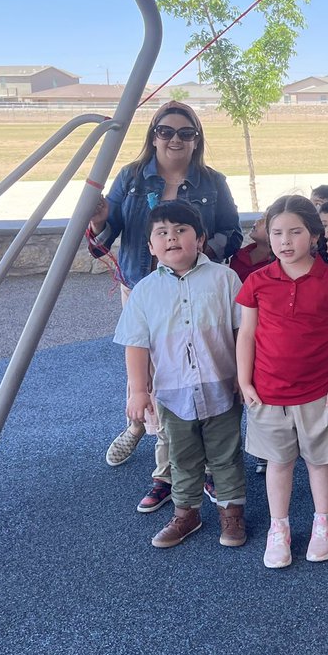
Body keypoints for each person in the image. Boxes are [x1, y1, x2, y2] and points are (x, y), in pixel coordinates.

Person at [89, 99, 242, 513]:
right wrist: (100, 219)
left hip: (199, 286)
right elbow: (102, 240)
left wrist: (202, 249)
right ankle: (164, 462)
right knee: (156, 376)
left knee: (204, 366)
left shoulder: (212, 182)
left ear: (197, 140)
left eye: (185, 133)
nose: (175, 139)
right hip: (146, 286)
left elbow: (232, 230)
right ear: (153, 135)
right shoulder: (131, 177)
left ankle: (207, 468)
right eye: (166, 131)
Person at [113, 201, 246, 548]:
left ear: (200, 239)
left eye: (181, 230)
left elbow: (243, 332)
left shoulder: (224, 279)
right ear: (151, 247)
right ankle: (186, 513)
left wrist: (243, 376)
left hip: (222, 387)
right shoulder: (144, 292)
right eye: (162, 233)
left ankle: (231, 514)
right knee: (181, 458)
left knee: (226, 455)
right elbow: (136, 344)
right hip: (173, 392)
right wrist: (139, 391)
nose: (172, 238)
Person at [236, 195, 328, 568]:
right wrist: (245, 381)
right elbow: (246, 334)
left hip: (319, 391)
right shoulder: (257, 281)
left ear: (315, 235)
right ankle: (279, 527)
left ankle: (324, 521)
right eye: (276, 233)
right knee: (278, 462)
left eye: (295, 232)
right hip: (268, 393)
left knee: (320, 462)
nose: (285, 240)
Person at [230, 215, 274, 283]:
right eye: (260, 217)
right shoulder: (238, 256)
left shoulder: (280, 262)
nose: (257, 221)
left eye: (264, 219)